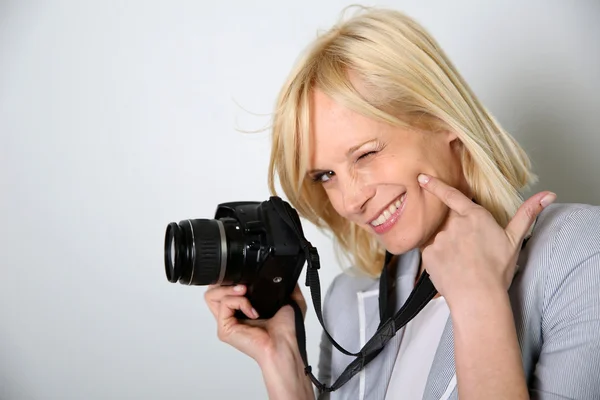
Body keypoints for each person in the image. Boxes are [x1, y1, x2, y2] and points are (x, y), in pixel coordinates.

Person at [204, 6, 600, 400]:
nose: (351, 201)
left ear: (442, 118)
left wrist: (479, 305)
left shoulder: (578, 255)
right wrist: (285, 364)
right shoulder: (347, 301)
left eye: (365, 154)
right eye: (326, 176)